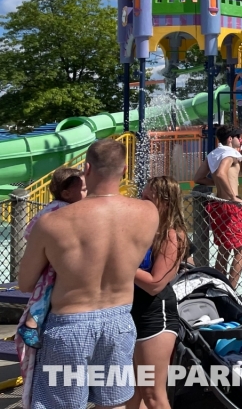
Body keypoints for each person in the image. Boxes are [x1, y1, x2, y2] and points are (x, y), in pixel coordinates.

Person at [18, 138, 158, 409]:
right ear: (125, 169)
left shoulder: (52, 222)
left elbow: (25, 283)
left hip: (70, 325)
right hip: (119, 321)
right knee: (114, 404)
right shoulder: (148, 213)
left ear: (86, 169)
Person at [128, 176, 188, 409]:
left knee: (153, 394)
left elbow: (155, 283)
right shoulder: (145, 230)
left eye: (147, 199)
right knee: (131, 392)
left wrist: (122, 264)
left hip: (155, 317)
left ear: (164, 202)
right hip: (132, 313)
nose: (142, 203)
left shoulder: (171, 235)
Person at [17, 167, 88, 349]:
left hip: (47, 256)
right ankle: (30, 324)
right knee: (45, 291)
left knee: (44, 291)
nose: (87, 193)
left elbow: (30, 230)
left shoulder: (53, 207)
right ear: (66, 193)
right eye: (83, 190)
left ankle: (33, 324)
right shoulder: (63, 209)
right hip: (50, 260)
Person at [193, 125, 242, 288]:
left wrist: (217, 184)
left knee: (224, 250)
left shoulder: (213, 154)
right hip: (231, 206)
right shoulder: (230, 153)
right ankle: (231, 290)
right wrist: (232, 196)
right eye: (239, 137)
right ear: (230, 139)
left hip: (217, 205)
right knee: (241, 250)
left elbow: (198, 177)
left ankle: (218, 287)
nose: (241, 140)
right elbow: (220, 173)